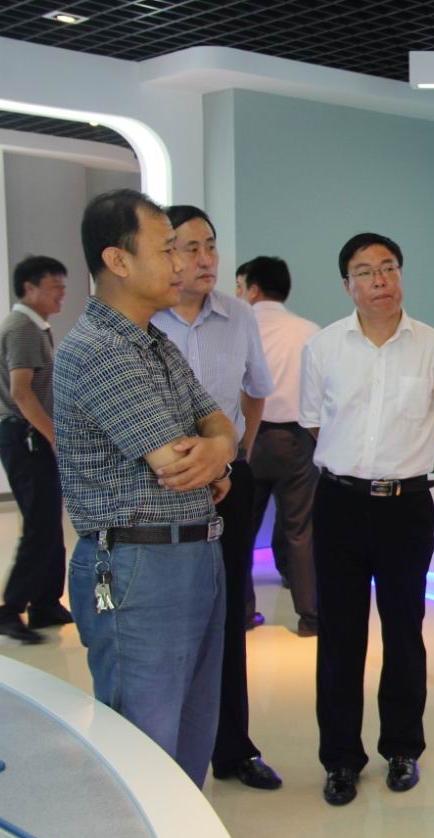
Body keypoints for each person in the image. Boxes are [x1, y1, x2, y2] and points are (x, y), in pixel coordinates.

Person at [55, 188, 235, 786]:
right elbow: (176, 462)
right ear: (119, 261)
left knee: (192, 735)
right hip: (138, 565)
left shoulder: (155, 343)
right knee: (144, 747)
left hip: (193, 552)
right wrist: (217, 452)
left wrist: (220, 450)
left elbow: (219, 424)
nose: (183, 263)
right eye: (167, 250)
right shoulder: (98, 349)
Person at [300, 232, 434, 807]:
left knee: (404, 629)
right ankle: (341, 759)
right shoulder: (323, 347)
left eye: (389, 268)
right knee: (339, 636)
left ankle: (402, 748)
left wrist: (394, 460)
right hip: (340, 503)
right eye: (365, 272)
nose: (380, 281)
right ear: (347, 285)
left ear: (401, 275)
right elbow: (316, 422)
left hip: (406, 507)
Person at [151, 205, 281, 792]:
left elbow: (256, 391)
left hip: (229, 485)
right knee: (168, 622)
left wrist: (239, 453)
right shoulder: (143, 322)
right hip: (160, 492)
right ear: (164, 254)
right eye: (190, 248)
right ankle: (164, 753)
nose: (206, 259)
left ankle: (233, 748)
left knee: (228, 615)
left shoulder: (239, 316)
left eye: (211, 245)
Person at [0, 255, 72, 644]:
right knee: (40, 526)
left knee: (48, 523)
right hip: (25, 438)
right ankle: (9, 611)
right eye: (55, 287)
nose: (62, 294)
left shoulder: (34, 327)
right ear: (30, 288)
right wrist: (53, 435)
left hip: (29, 436)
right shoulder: (22, 329)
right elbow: (21, 392)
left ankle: (45, 603)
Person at [237, 256, 320, 637]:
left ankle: (242, 612)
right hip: (297, 440)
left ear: (253, 289)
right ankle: (311, 616)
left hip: (248, 439)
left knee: (242, 530)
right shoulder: (309, 330)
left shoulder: (237, 327)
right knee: (301, 530)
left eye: (241, 287)